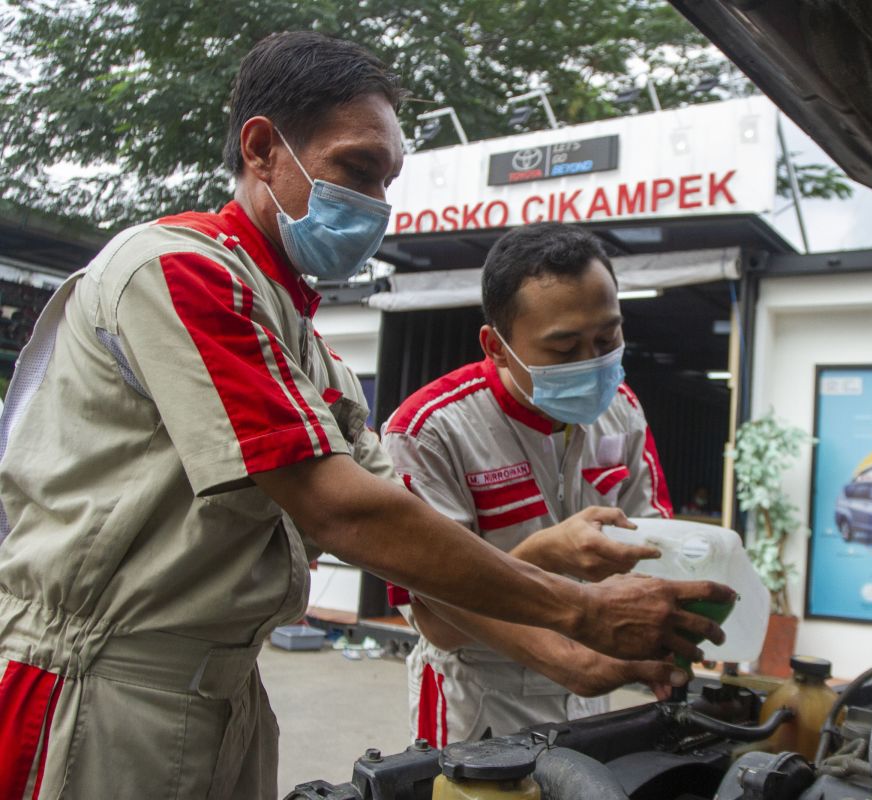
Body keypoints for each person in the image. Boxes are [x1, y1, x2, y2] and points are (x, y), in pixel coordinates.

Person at [0, 33, 731, 799]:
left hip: (223, 688)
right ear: (261, 149)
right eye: (356, 170)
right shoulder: (181, 272)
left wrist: (575, 638)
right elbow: (343, 511)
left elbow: (408, 537)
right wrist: (579, 612)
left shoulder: (312, 355)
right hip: (106, 686)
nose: (377, 206)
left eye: (387, 182)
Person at [381, 222, 679, 745]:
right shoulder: (429, 432)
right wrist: (543, 553)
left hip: (592, 691)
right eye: (564, 350)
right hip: (478, 701)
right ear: (496, 346)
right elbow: (439, 623)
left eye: (608, 339)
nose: (593, 364)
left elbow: (662, 551)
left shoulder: (623, 410)